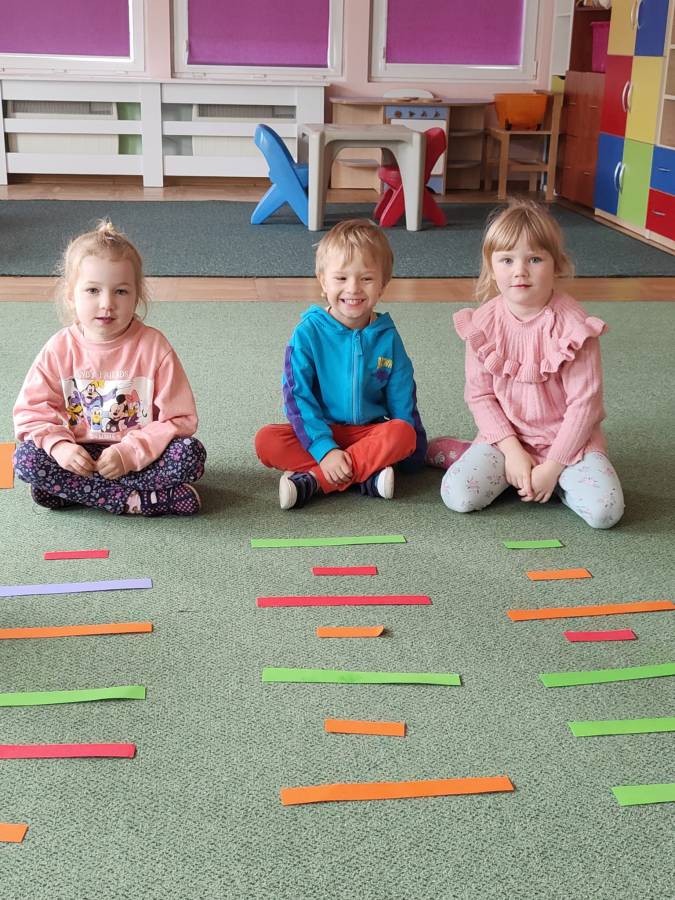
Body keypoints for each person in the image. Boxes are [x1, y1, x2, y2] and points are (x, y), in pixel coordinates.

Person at [434, 199, 623, 529]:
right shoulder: (482, 323)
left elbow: (585, 407)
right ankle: (471, 454)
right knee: (458, 496)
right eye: (507, 260)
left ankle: (553, 482)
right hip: (507, 439)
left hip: (569, 444)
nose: (519, 271)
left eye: (534, 259)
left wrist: (553, 467)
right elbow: (480, 396)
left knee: (605, 512)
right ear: (491, 267)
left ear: (556, 264)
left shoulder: (575, 327)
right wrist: (512, 451)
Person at [13, 221, 206, 517]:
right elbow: (30, 413)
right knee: (26, 459)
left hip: (139, 456)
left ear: (136, 296)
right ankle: (137, 501)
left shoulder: (154, 346)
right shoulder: (59, 348)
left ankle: (75, 491)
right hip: (81, 455)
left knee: (189, 455)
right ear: (71, 296)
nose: (107, 303)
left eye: (121, 291)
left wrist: (128, 454)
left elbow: (180, 419)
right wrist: (61, 448)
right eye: (92, 290)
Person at [255, 218, 427, 510]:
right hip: (320, 430)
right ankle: (366, 475)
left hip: (369, 432)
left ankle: (314, 481)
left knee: (402, 433)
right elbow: (297, 397)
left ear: (383, 285)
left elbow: (402, 395)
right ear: (323, 281)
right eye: (341, 278)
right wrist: (324, 450)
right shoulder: (307, 333)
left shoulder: (387, 337)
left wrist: (413, 452)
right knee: (266, 441)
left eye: (367, 279)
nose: (353, 288)